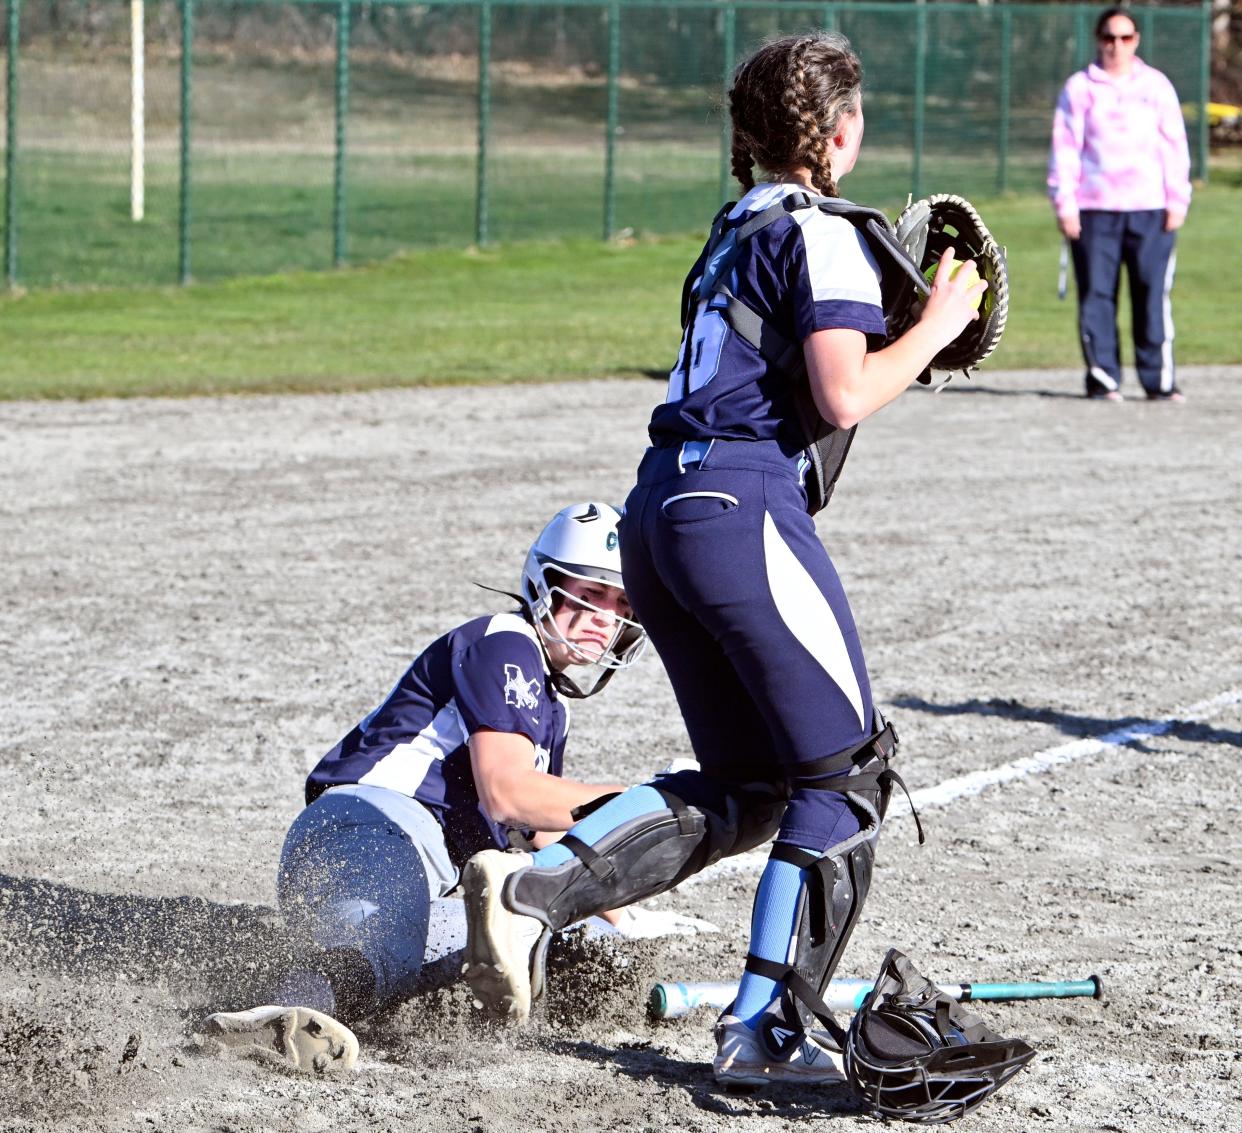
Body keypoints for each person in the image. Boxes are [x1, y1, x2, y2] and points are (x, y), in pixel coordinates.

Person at [459, 31, 985, 1090]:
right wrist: (932, 326)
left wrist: (885, 321)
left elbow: (782, 376)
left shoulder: (730, 232)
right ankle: (763, 1034)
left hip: (660, 512)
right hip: (737, 509)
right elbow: (839, 396)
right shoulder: (823, 231)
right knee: (848, 775)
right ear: (840, 133)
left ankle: (530, 895)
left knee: (749, 786)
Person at [202, 501, 707, 1073]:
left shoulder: (552, 706)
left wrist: (614, 910)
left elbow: (539, 832)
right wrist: (652, 803)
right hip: (375, 825)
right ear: (547, 584)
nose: (604, 616)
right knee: (382, 947)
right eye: (589, 594)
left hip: (427, 864)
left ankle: (308, 999)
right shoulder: (505, 641)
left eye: (621, 604)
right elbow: (508, 793)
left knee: (559, 945)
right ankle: (283, 1017)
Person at [1048, 5, 1192, 402]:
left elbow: (1175, 145)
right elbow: (1066, 149)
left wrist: (1178, 198)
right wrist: (1065, 204)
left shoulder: (1157, 86)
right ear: (1099, 40)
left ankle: (1159, 381)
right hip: (1095, 210)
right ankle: (1103, 378)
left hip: (1151, 208)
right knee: (1096, 295)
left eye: (1125, 38)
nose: (1117, 45)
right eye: (1110, 37)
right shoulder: (1079, 88)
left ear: (1136, 41)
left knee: (1151, 296)